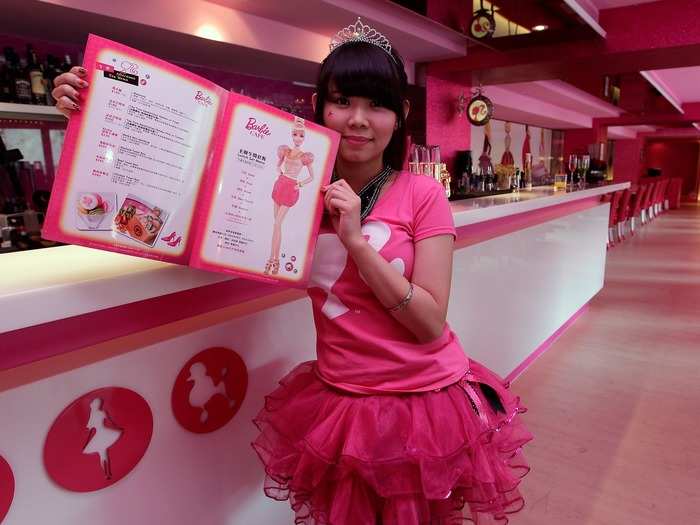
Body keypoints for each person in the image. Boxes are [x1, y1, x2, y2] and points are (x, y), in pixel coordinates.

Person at [52, 18, 532, 524]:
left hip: (422, 400)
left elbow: (431, 322)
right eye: (343, 101)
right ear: (321, 107)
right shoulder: (293, 192)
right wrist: (99, 121)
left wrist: (355, 242)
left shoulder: (422, 194)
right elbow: (181, 205)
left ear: (401, 115)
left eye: (377, 105)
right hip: (344, 398)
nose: (358, 119)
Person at [266, 117, 315, 275]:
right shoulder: (285, 151)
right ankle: (273, 260)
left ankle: (273, 261)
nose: (298, 138)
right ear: (291, 135)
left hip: (291, 188)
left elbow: (312, 177)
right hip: (280, 184)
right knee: (276, 225)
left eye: (301, 136)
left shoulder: (304, 156)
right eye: (295, 134)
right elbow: (278, 164)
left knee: (276, 225)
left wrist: (299, 184)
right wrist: (278, 170)